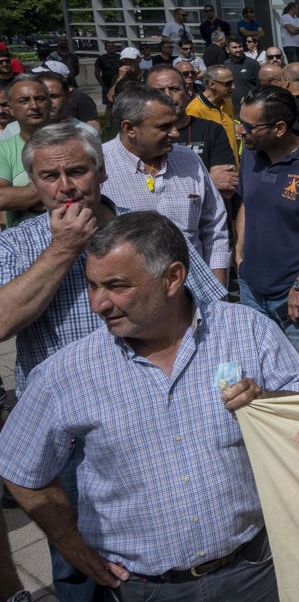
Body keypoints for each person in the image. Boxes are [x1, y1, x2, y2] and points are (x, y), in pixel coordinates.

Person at [0, 211, 299, 602]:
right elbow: (18, 467)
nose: (98, 304)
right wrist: (68, 541)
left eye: (116, 286)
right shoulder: (67, 373)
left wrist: (268, 402)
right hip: (144, 589)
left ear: (173, 278)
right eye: (92, 286)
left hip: (254, 572)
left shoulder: (248, 331)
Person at [0, 126, 226, 602]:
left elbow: (214, 306)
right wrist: (62, 250)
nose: (65, 186)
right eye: (49, 175)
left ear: (100, 172)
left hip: (165, 413)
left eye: (77, 171)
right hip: (72, 435)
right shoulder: (18, 245)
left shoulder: (148, 229)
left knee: (173, 542)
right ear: (33, 182)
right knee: (81, 562)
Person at [236, 86, 299, 373]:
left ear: (279, 128)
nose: (241, 131)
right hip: (251, 291)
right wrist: (240, 253)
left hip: (297, 301)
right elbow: (246, 202)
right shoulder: (252, 153)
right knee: (258, 375)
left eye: (249, 126)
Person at [101, 84, 229, 281]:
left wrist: (218, 289)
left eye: (174, 124)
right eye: (163, 127)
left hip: (194, 296)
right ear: (130, 128)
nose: (176, 134)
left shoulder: (189, 160)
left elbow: (214, 227)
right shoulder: (98, 167)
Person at [143, 65, 237, 197]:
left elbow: (226, 184)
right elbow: (138, 190)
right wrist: (209, 181)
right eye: (158, 90)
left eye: (174, 89)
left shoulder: (212, 130)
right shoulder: (139, 136)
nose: (168, 95)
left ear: (187, 92)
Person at [0, 76, 52, 228]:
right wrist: (50, 192)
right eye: (24, 101)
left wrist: (24, 196)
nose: (34, 106)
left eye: (40, 99)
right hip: (22, 241)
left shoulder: (74, 143)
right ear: (10, 109)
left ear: (49, 103)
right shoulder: (4, 150)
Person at [186, 65, 238, 163]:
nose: (233, 86)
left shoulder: (227, 100)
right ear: (211, 84)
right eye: (228, 83)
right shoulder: (194, 110)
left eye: (233, 82)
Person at [223, 36, 259, 114]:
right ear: (227, 50)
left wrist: (250, 98)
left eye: (240, 46)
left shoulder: (253, 64)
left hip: (250, 108)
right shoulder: (226, 64)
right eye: (234, 47)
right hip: (231, 109)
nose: (238, 50)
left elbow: (261, 87)